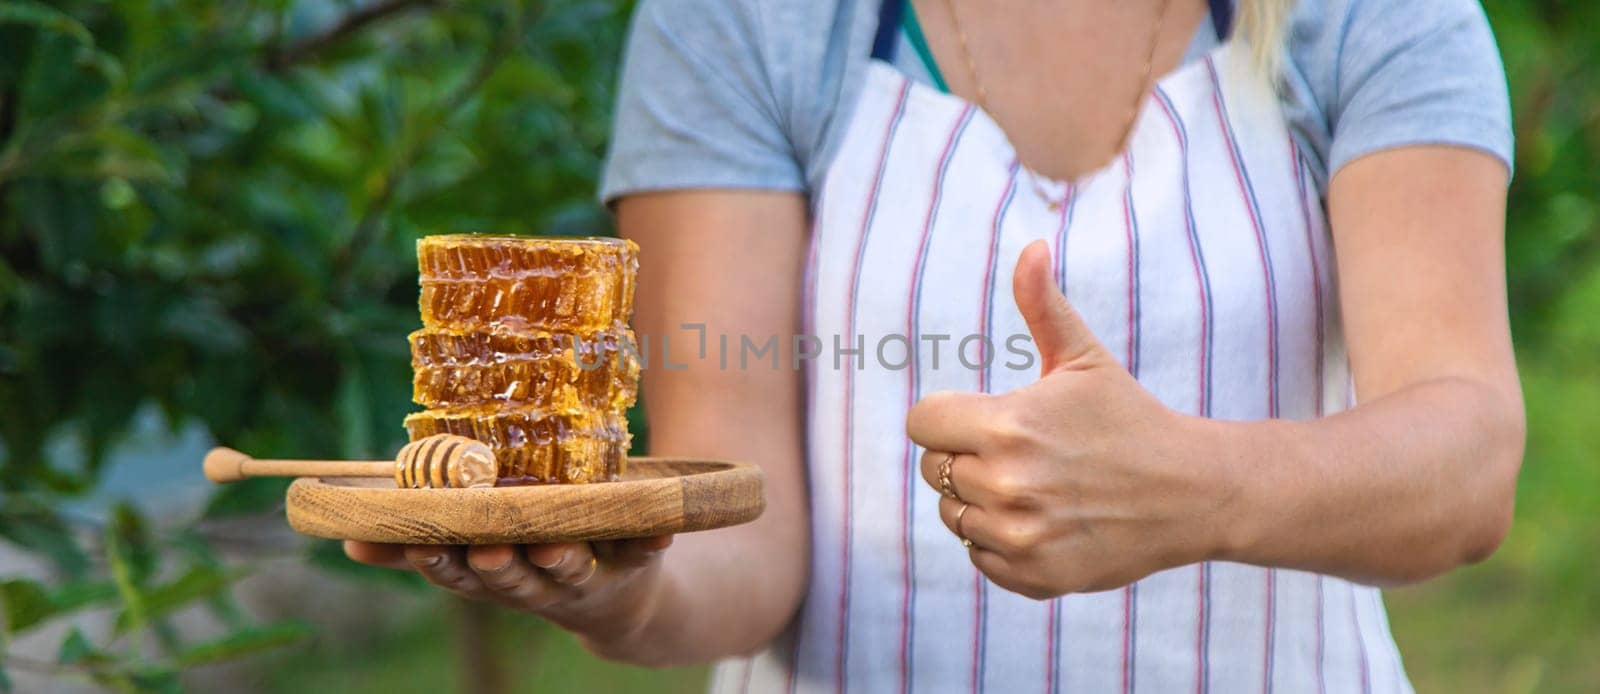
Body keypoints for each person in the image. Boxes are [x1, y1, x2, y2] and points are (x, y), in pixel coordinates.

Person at [347, 0, 1523, 690]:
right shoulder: (749, 24)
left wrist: (1194, 489)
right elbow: (737, 537)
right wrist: (617, 582)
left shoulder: (1376, 17)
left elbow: (1465, 456)